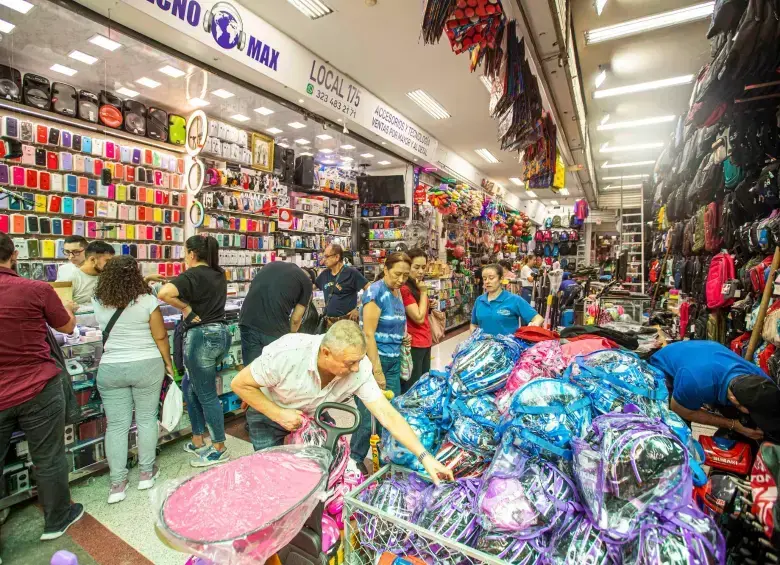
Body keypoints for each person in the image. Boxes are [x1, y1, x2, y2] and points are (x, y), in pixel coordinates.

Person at [231, 320, 453, 485]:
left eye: (358, 360)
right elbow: (239, 384)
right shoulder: (287, 353)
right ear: (326, 353)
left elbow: (388, 415)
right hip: (269, 414)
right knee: (271, 476)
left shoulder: (359, 367)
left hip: (311, 418)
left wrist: (425, 457)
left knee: (311, 478)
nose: (356, 369)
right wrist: (278, 414)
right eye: (350, 363)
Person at [0, 233, 84, 540]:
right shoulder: (36, 289)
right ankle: (57, 519)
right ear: (14, 256)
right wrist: (70, 307)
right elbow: (67, 326)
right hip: (39, 387)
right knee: (49, 456)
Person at [92, 256, 174, 503]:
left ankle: (117, 484)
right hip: (146, 364)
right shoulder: (148, 300)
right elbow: (160, 336)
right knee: (147, 419)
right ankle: (146, 474)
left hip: (111, 367)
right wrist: (168, 363)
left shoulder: (98, 300)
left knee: (116, 425)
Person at [158, 235, 230, 467]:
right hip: (219, 333)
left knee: (206, 393)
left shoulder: (191, 275)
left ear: (192, 253)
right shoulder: (218, 274)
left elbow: (164, 294)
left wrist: (186, 308)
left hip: (201, 337)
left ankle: (219, 447)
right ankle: (198, 439)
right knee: (190, 386)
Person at [649, 341, 780, 441]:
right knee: (677, 430)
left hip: (703, 354)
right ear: (734, 399)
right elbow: (680, 409)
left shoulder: (761, 379)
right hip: (663, 367)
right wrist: (734, 425)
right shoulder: (697, 384)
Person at [351, 252, 410, 473]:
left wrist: (401, 336)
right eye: (397, 274)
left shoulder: (397, 292)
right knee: (368, 414)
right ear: (385, 269)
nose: (401, 279)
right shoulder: (375, 292)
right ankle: (354, 458)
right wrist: (376, 369)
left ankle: (386, 458)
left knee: (390, 411)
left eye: (405, 275)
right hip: (375, 360)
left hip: (393, 359)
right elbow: (368, 334)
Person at [238, 260, 313, 366]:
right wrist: (291, 337)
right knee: (275, 372)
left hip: (247, 321)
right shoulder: (307, 283)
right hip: (274, 328)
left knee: (252, 371)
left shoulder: (271, 265)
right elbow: (296, 319)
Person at [470, 264, 543, 336]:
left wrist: (534, 325)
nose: (487, 282)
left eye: (491, 278)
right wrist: (474, 337)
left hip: (507, 346)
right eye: (484, 278)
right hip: (484, 346)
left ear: (501, 279)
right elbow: (473, 324)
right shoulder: (479, 300)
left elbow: (538, 318)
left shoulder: (514, 299)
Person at [400, 249, 431, 393]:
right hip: (414, 343)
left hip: (424, 340)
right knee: (414, 387)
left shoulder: (417, 286)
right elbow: (418, 317)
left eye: (423, 267)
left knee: (423, 383)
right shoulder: (405, 289)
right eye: (416, 267)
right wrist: (424, 293)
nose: (420, 271)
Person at [316, 244, 369, 327]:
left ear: (337, 257)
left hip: (347, 323)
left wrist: (359, 308)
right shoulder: (324, 274)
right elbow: (310, 287)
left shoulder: (351, 273)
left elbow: (371, 290)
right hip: (329, 322)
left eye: (326, 256)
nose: (323, 260)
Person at [56, 241, 115, 307]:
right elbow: (58, 309)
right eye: (108, 261)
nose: (111, 264)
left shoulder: (108, 278)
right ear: (92, 260)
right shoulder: (67, 279)